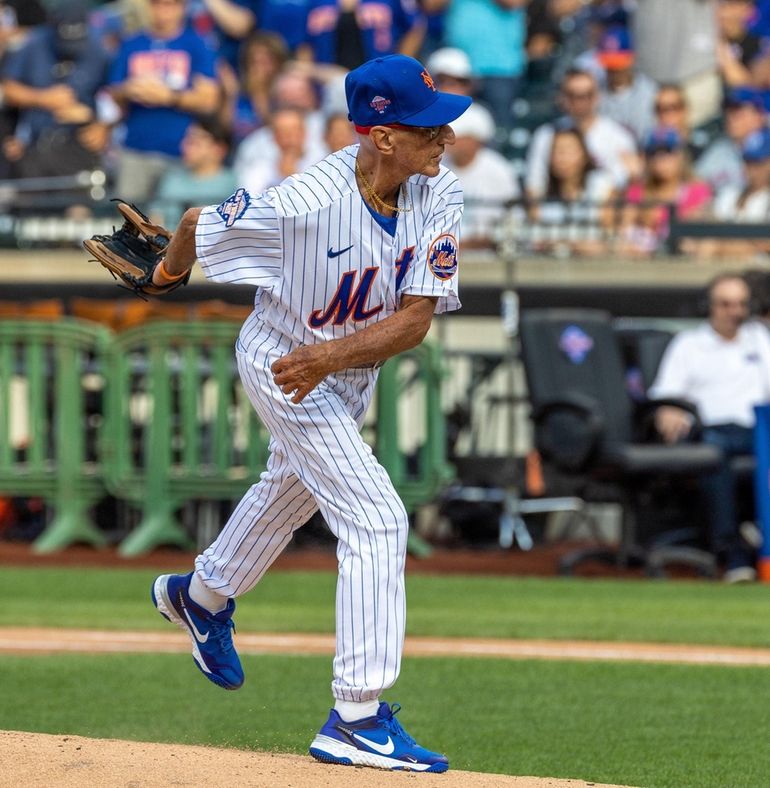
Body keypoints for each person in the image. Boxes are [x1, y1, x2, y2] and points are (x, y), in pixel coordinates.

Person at [149, 53, 470, 772]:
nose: (442, 137)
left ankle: (200, 597)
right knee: (378, 518)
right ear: (382, 135)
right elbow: (201, 223)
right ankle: (355, 714)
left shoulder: (437, 191)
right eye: (426, 127)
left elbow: (416, 318)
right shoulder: (304, 202)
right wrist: (165, 272)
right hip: (282, 363)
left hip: (335, 367)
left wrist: (332, 359)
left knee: (288, 493)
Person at [650, 273, 770, 582]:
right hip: (710, 431)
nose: (735, 312)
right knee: (716, 453)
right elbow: (666, 394)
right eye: (726, 304)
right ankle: (732, 551)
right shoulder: (689, 345)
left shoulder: (759, 339)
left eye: (742, 304)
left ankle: (753, 530)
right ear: (709, 306)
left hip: (756, 432)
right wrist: (668, 411)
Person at [106, 0, 219, 203]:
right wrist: (130, 90)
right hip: (135, 147)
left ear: (182, 8)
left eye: (170, 5)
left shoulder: (196, 44)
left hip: (180, 149)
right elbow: (114, 91)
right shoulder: (132, 44)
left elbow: (209, 99)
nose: (163, 11)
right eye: (157, 4)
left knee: (172, 221)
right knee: (130, 221)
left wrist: (169, 97)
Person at [525, 68, 637, 199]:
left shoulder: (619, 137)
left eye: (586, 95)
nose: (579, 101)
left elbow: (628, 186)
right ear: (562, 97)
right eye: (572, 94)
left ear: (597, 96)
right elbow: (534, 186)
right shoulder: (546, 135)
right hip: (555, 212)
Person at [619, 126, 712, 257]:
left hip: (680, 263)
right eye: (654, 153)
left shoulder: (696, 190)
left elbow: (695, 227)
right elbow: (624, 231)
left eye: (668, 152)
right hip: (637, 262)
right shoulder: (637, 190)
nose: (660, 159)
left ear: (680, 155)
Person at [527, 122, 615, 256]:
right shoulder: (542, 194)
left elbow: (607, 237)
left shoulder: (602, 185)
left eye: (568, 151)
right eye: (557, 151)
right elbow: (537, 240)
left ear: (584, 154)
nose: (562, 158)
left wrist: (567, 244)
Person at [445, 102, 519, 250]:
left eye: (458, 137)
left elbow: (514, 217)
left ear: (475, 140)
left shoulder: (498, 169)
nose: (449, 141)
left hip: (489, 254)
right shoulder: (438, 165)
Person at [149, 115, 237, 226]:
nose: (184, 146)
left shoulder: (234, 184)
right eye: (187, 139)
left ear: (219, 149)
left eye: (195, 141)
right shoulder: (172, 179)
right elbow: (155, 217)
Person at [696, 86, 768, 192]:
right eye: (727, 111)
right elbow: (696, 184)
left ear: (759, 115)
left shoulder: (767, 150)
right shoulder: (718, 151)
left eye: (737, 111)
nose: (730, 117)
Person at [595, 25, 657, 143]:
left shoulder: (650, 92)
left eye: (619, 63)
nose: (614, 70)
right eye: (609, 64)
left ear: (632, 59)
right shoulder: (594, 92)